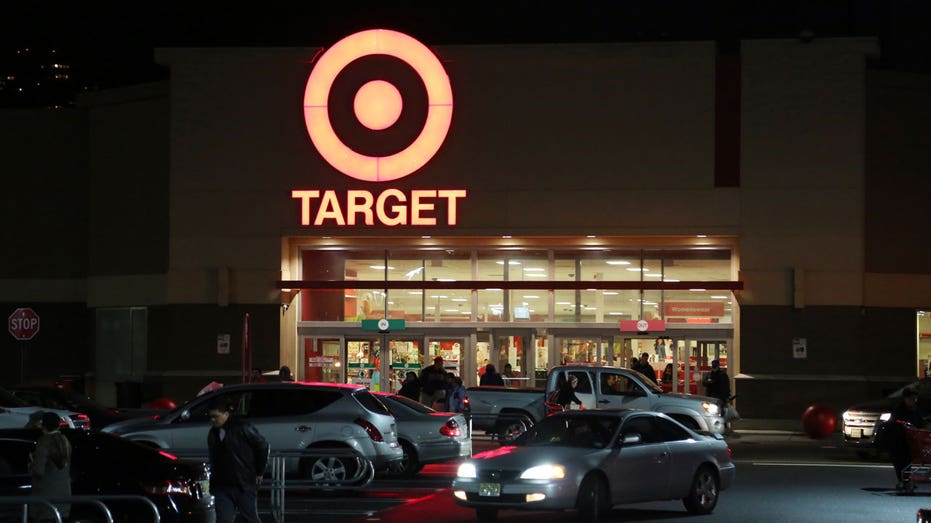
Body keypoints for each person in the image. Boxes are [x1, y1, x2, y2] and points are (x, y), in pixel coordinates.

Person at [207, 398, 270, 523]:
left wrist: (260, 471)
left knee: (249, 518)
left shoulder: (242, 427)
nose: (212, 420)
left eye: (215, 416)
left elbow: (262, 446)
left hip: (242, 484)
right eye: (210, 417)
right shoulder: (214, 433)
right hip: (224, 485)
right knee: (225, 519)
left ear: (226, 414)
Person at [30, 412, 72, 522]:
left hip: (46, 496)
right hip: (64, 494)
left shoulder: (44, 442)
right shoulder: (65, 440)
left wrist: (31, 463)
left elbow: (39, 470)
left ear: (43, 426)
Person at [883, 387, 926, 489]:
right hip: (898, 440)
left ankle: (906, 479)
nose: (914, 401)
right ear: (905, 399)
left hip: (910, 440)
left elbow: (920, 423)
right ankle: (902, 480)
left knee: (908, 461)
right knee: (899, 461)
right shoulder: (898, 410)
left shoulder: (915, 410)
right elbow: (894, 424)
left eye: (915, 399)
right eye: (911, 399)